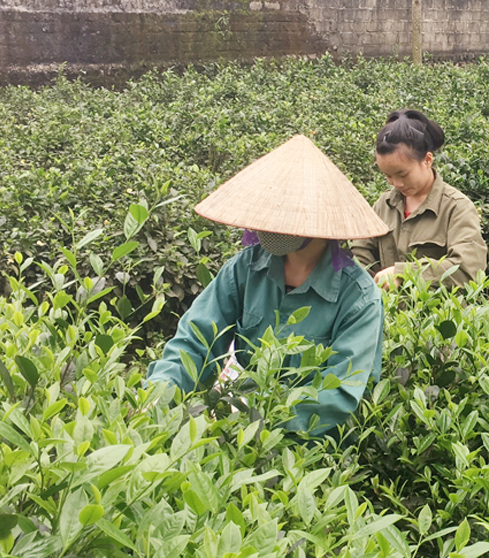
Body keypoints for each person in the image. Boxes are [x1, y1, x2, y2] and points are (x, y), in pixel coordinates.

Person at [146, 135, 389, 438]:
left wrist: (257, 424)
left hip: (312, 449)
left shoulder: (359, 298)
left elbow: (340, 395)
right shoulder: (246, 269)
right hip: (245, 426)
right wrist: (157, 399)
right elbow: (196, 343)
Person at [351, 109, 487, 289]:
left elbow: (467, 270)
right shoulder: (384, 205)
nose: (396, 183)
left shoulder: (456, 208)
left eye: (402, 174)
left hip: (437, 315)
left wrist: (405, 274)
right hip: (389, 315)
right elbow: (361, 255)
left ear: (427, 160)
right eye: (388, 176)